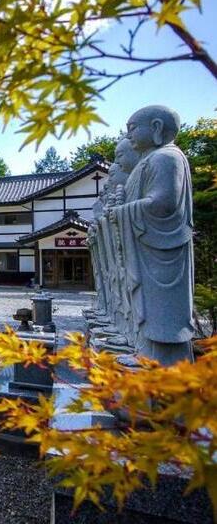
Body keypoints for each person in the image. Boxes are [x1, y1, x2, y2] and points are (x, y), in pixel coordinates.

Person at [109, 106, 194, 366]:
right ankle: (146, 351)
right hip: (149, 248)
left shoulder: (166, 158)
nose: (129, 135)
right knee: (145, 303)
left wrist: (122, 212)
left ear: (156, 127)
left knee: (160, 307)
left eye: (133, 128)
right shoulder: (150, 160)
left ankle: (165, 359)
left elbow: (164, 204)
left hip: (162, 248)